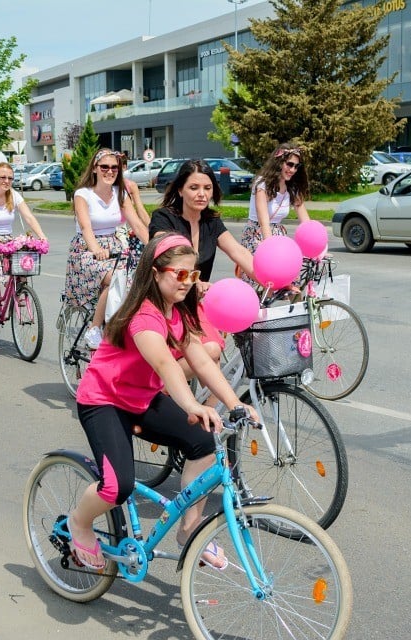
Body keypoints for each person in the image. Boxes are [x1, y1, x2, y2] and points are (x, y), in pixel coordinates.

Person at [66, 232, 258, 570]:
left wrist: (233, 403)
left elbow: (199, 360)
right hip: (104, 401)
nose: (188, 282)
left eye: (193, 274)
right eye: (180, 274)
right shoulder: (143, 316)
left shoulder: (179, 314)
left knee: (203, 444)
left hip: (141, 399)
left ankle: (189, 529)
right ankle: (79, 523)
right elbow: (165, 365)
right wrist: (193, 406)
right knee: (117, 486)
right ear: (156, 273)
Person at [148, 159, 256, 370]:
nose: (202, 194)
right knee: (211, 353)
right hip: (165, 302)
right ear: (180, 190)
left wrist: (273, 280)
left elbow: (238, 251)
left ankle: (210, 404)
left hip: (193, 303)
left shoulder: (211, 221)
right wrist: (194, 281)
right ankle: (158, 387)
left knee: (214, 353)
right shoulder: (163, 218)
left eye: (207, 188)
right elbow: (169, 253)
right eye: (194, 187)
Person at [64, 149, 149, 349]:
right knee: (116, 277)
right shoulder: (82, 194)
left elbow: (136, 224)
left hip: (115, 246)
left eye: (114, 168)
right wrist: (96, 250)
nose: (109, 171)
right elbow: (86, 227)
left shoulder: (120, 193)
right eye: (104, 167)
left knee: (137, 280)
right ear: (94, 169)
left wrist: (156, 247)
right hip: (87, 249)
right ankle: (94, 328)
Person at [0, 161, 49, 340]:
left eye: (10, 178)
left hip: (6, 238)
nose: (6, 181)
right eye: (3, 177)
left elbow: (28, 216)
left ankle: (20, 292)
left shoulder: (13, 195)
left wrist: (42, 235)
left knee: (23, 264)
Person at [240, 144, 311, 256]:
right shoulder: (262, 185)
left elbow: (306, 221)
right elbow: (264, 223)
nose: (293, 170)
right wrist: (270, 249)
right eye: (289, 164)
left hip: (279, 236)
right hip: (258, 234)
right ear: (279, 163)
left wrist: (316, 246)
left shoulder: (292, 187)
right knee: (264, 271)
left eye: (296, 166)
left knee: (292, 269)